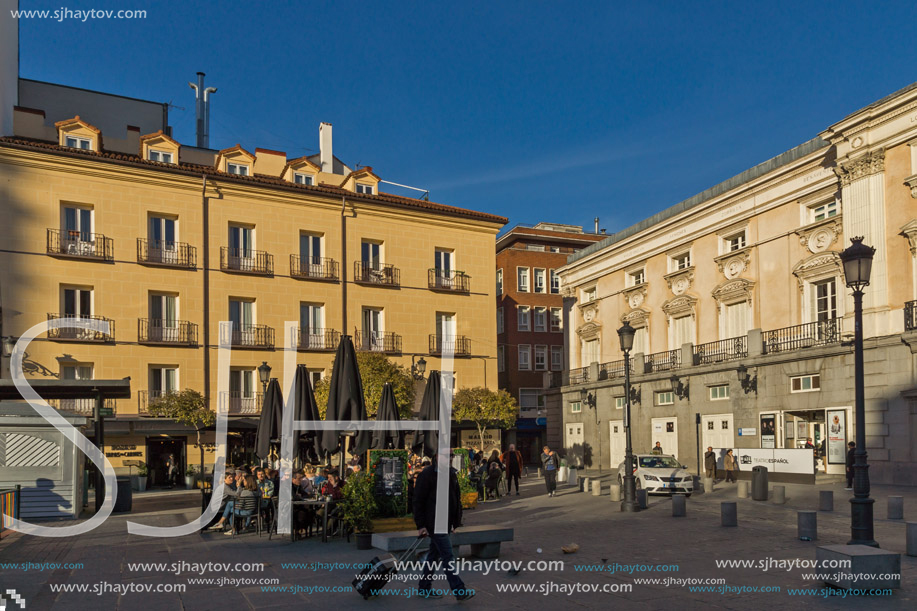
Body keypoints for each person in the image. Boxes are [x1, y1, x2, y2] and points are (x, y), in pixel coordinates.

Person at [413, 458, 474, 601]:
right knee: (448, 556)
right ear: (437, 456)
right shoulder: (427, 474)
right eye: (448, 455)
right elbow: (418, 500)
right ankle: (459, 590)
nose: (451, 458)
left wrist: (454, 522)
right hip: (434, 523)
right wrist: (421, 525)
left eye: (452, 455)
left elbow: (455, 499)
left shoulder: (451, 473)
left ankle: (424, 587)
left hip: (444, 522)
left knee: (433, 556)